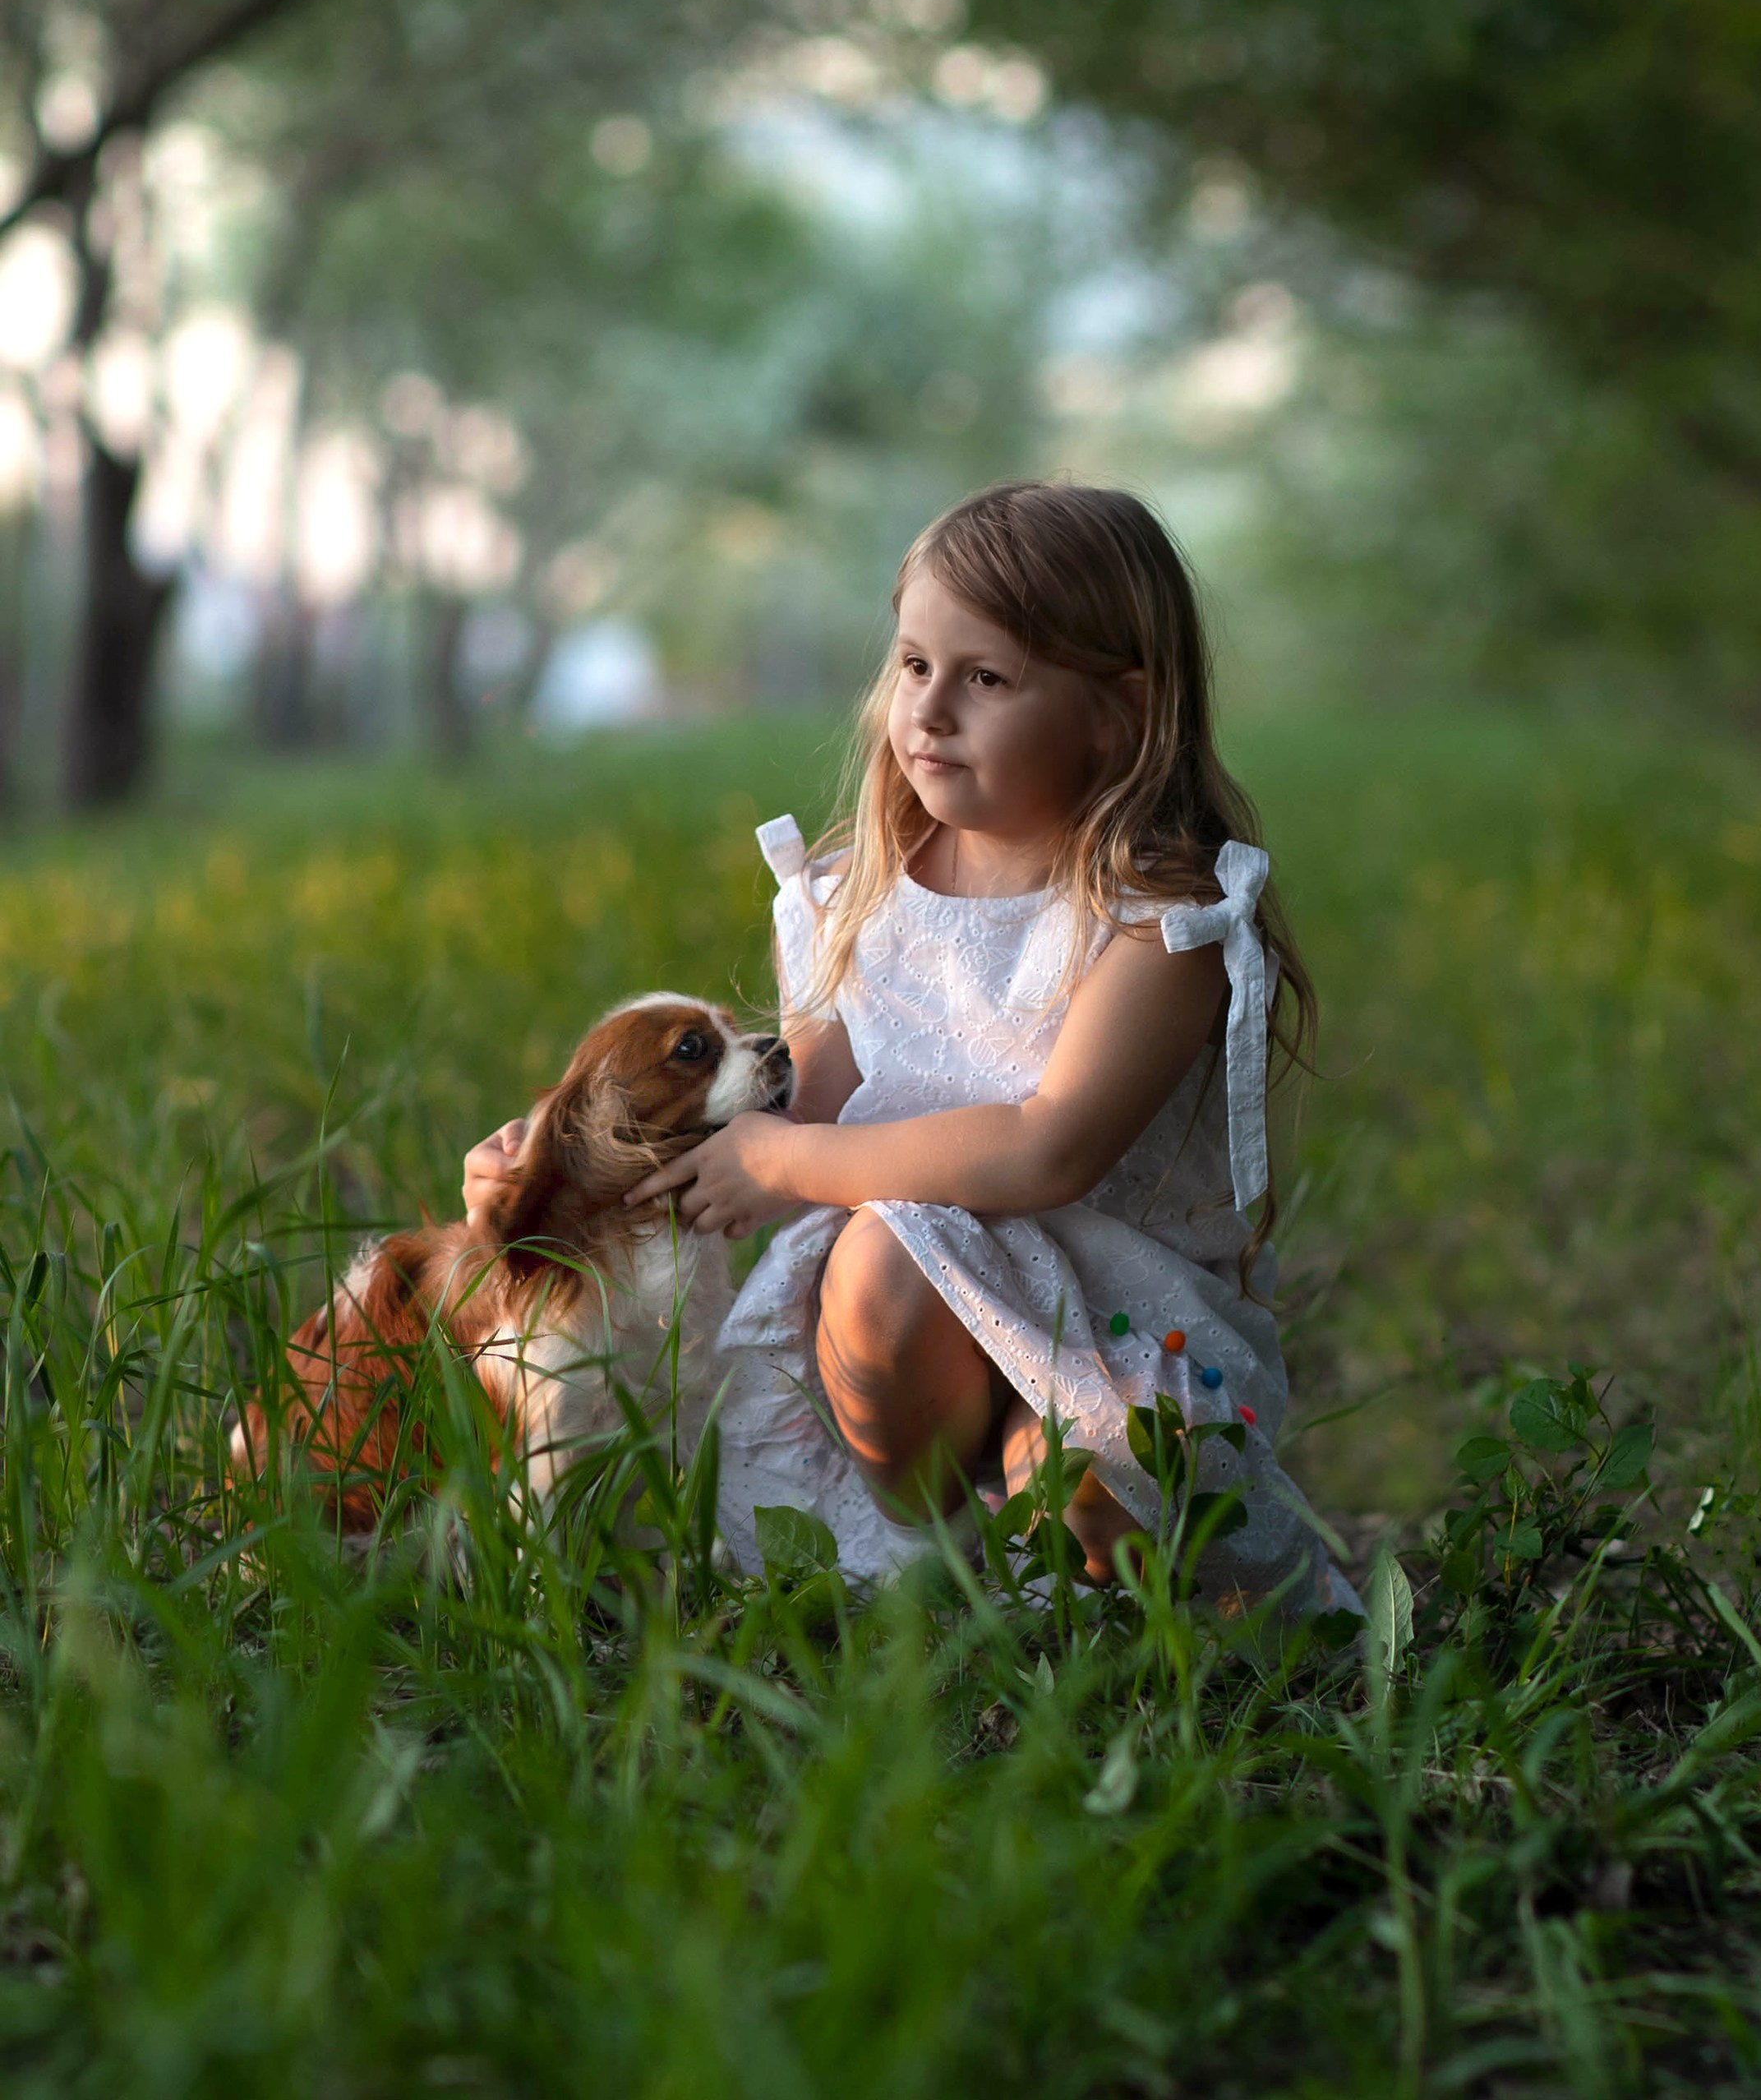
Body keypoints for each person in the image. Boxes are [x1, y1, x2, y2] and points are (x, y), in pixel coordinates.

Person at [468, 482, 1352, 1607]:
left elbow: (1047, 1149)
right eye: (915, 665)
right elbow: (799, 1117)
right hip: (904, 1339)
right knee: (884, 1260)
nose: (929, 712)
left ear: (1118, 713)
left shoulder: (1158, 923)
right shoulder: (861, 893)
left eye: (985, 679)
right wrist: (553, 1168)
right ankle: (938, 1554)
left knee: (1091, 1477)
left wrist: (785, 1167)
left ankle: (1129, 1578)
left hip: (1112, 1327)